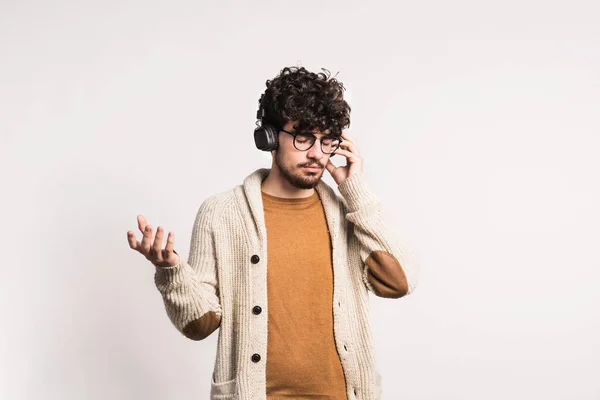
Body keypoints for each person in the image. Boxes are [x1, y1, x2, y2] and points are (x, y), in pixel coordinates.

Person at [127, 66, 419, 400]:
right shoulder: (222, 214)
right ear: (268, 137)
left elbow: (400, 282)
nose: (316, 154)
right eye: (303, 137)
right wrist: (172, 272)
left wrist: (355, 191)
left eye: (327, 141)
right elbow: (200, 325)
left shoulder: (348, 214)